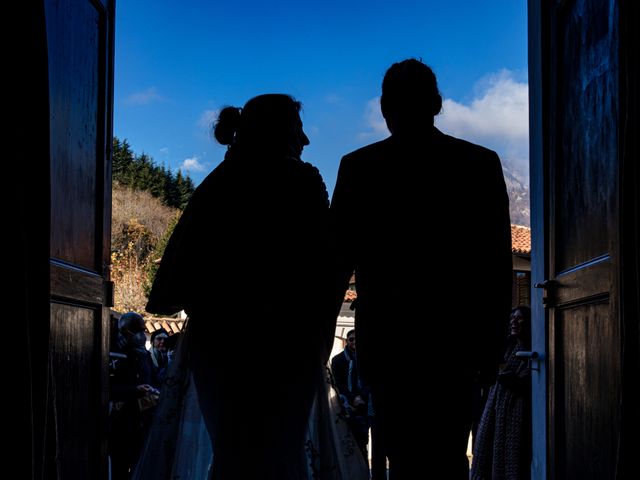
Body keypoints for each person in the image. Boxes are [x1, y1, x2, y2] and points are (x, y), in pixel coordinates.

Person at [142, 94, 353, 480]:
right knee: (279, 453)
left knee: (233, 451)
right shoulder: (299, 182)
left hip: (218, 345)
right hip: (284, 345)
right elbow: (326, 263)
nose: (306, 140)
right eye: (299, 129)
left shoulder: (216, 186)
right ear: (282, 132)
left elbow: (178, 276)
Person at [330, 58, 513, 478]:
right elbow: (496, 268)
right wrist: (491, 349)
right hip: (457, 345)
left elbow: (335, 265)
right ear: (437, 103)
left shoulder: (359, 168)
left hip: (390, 345)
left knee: (402, 458)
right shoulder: (479, 164)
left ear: (382, 107)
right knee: (448, 458)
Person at [470, 306, 532, 480]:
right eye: (512, 318)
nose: (514, 322)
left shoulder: (531, 352)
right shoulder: (510, 350)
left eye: (519, 318)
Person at [108, 312, 159, 480]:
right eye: (137, 330)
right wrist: (133, 391)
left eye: (143, 330)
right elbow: (106, 387)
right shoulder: (113, 351)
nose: (141, 334)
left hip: (143, 420)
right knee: (120, 469)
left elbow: (153, 377)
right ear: (126, 330)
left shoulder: (143, 353)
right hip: (120, 423)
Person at [331, 329, 370, 462]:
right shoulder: (337, 360)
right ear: (347, 342)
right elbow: (338, 383)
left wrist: (361, 398)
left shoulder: (367, 359)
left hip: (364, 403)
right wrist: (353, 398)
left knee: (362, 440)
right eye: (351, 339)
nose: (354, 341)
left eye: (356, 338)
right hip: (346, 404)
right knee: (347, 439)